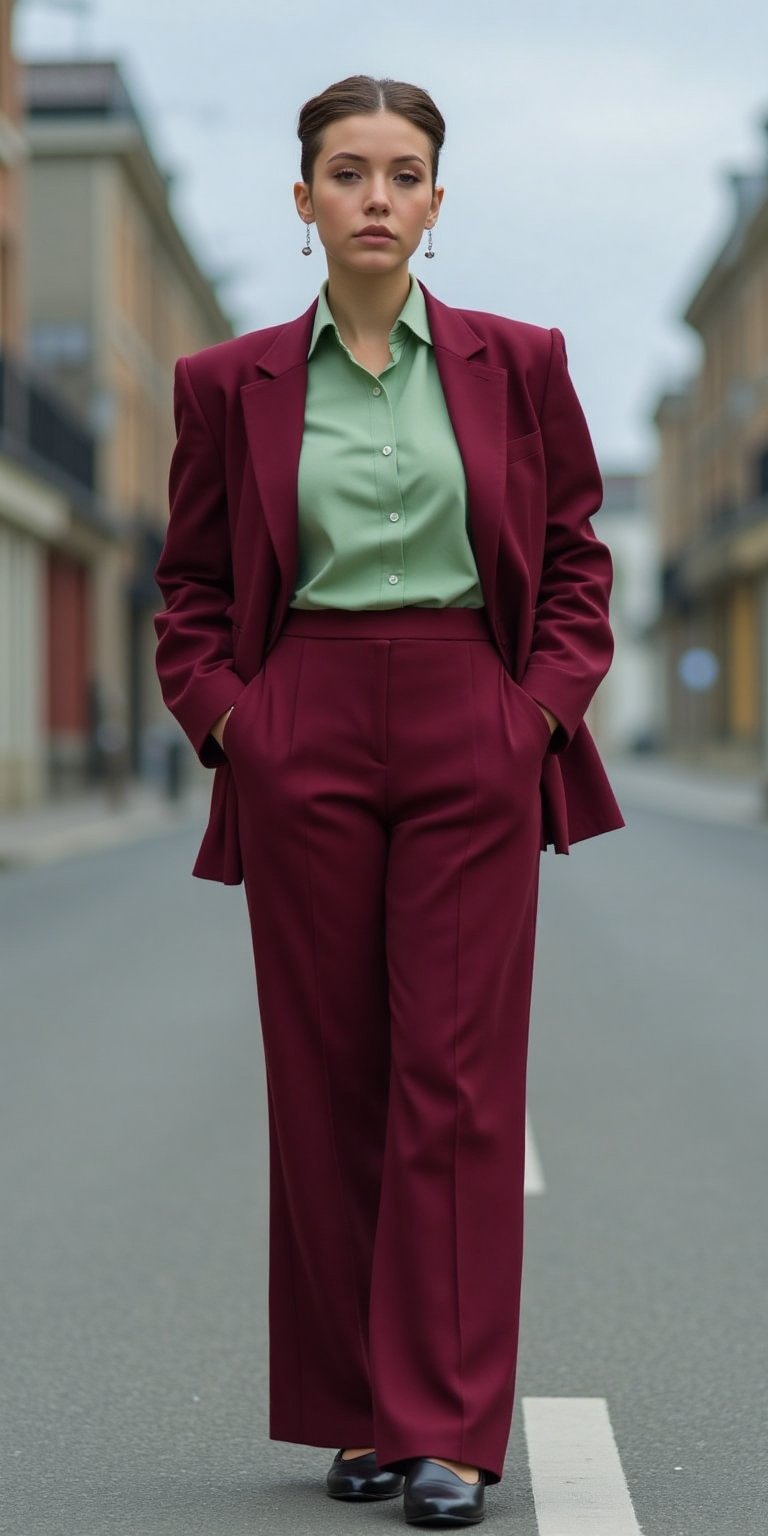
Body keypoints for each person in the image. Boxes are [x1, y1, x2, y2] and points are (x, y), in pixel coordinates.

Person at [153, 73, 625, 1528]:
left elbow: (574, 559)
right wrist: (237, 724)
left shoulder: (518, 363)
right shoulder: (225, 383)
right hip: (304, 723)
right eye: (345, 172)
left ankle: (451, 1430)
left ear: (435, 200)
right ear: (302, 202)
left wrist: (533, 713)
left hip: (469, 719)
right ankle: (358, 1411)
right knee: (329, 1076)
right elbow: (186, 586)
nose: (374, 195)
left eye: (402, 171)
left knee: (459, 1083)